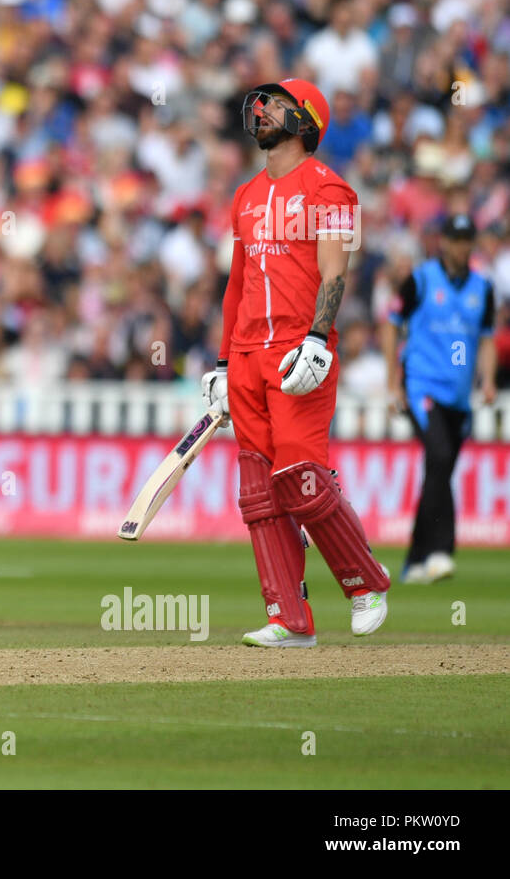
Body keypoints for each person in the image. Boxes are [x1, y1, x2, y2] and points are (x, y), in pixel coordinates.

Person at [201, 77, 391, 648]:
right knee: (258, 491)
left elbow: (336, 272)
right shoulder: (244, 196)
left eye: (275, 103)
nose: (260, 109)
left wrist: (316, 338)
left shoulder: (333, 191)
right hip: (245, 354)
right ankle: (289, 616)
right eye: (260, 101)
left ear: (305, 121)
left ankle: (365, 583)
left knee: (301, 479)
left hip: (297, 351)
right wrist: (220, 362)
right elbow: (236, 284)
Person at [381, 213, 497, 584]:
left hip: (459, 397)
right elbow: (390, 322)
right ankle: (440, 551)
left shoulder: (483, 288)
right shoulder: (421, 280)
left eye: (467, 240)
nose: (462, 247)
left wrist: (489, 381)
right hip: (422, 386)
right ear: (444, 241)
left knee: (440, 469)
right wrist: (392, 382)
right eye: (456, 239)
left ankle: (414, 560)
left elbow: (487, 338)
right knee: (441, 457)